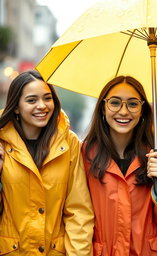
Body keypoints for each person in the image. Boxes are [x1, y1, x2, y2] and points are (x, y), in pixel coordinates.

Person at [82, 76, 157, 256]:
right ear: (102, 108)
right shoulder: (85, 156)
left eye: (132, 104)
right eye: (115, 103)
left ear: (142, 111)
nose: (123, 111)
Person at [0, 70, 94, 255]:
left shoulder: (69, 143)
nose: (42, 106)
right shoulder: (1, 143)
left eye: (47, 98)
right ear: (16, 106)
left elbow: (78, 211)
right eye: (32, 100)